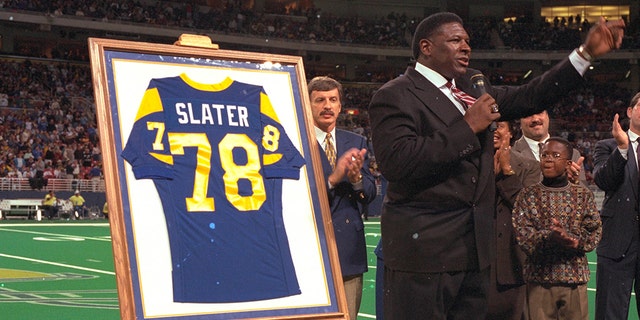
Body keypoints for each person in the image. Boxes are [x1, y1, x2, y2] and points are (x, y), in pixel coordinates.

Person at [367, 11, 623, 319]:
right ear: (426, 47)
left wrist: (584, 55)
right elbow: (398, 163)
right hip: (424, 256)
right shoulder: (395, 95)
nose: (466, 47)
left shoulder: (474, 87)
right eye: (455, 40)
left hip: (476, 253)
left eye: (467, 41)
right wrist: (467, 126)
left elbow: (531, 95)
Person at [308, 76, 376, 320]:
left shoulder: (355, 141)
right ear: (308, 105)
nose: (327, 105)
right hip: (310, 245)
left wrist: (357, 178)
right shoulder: (296, 140)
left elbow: (369, 193)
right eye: (320, 100)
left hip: (349, 249)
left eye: (333, 100)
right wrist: (333, 180)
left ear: (339, 106)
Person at [513, 137, 601, 320]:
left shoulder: (582, 194)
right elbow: (522, 234)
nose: (548, 159)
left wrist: (573, 240)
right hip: (539, 281)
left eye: (555, 155)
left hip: (574, 281)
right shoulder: (528, 195)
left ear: (568, 163)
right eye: (544, 155)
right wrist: (549, 237)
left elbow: (594, 231)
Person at [592, 93, 640, 320]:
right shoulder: (607, 146)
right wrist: (622, 149)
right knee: (610, 314)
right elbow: (603, 181)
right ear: (629, 112)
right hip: (616, 243)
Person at [487, 121, 540, 319]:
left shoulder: (529, 166)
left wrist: (507, 173)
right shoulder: (468, 165)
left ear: (510, 133)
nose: (493, 130)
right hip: (472, 263)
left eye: (499, 126)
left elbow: (529, 210)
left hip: (511, 265)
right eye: (489, 126)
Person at [513, 110, 587, 185]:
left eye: (539, 112)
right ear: (519, 122)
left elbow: (586, 194)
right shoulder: (511, 155)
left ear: (547, 116)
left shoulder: (573, 154)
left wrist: (576, 183)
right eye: (527, 115)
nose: (535, 119)